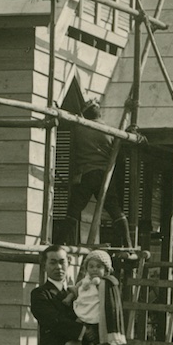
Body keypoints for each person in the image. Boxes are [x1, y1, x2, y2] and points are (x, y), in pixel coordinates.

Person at [63, 99, 130, 245]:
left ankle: (59, 242)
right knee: (115, 209)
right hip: (103, 176)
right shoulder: (110, 131)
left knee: (74, 210)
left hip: (85, 174)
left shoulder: (79, 128)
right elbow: (121, 157)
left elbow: (72, 152)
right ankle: (128, 244)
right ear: (99, 114)